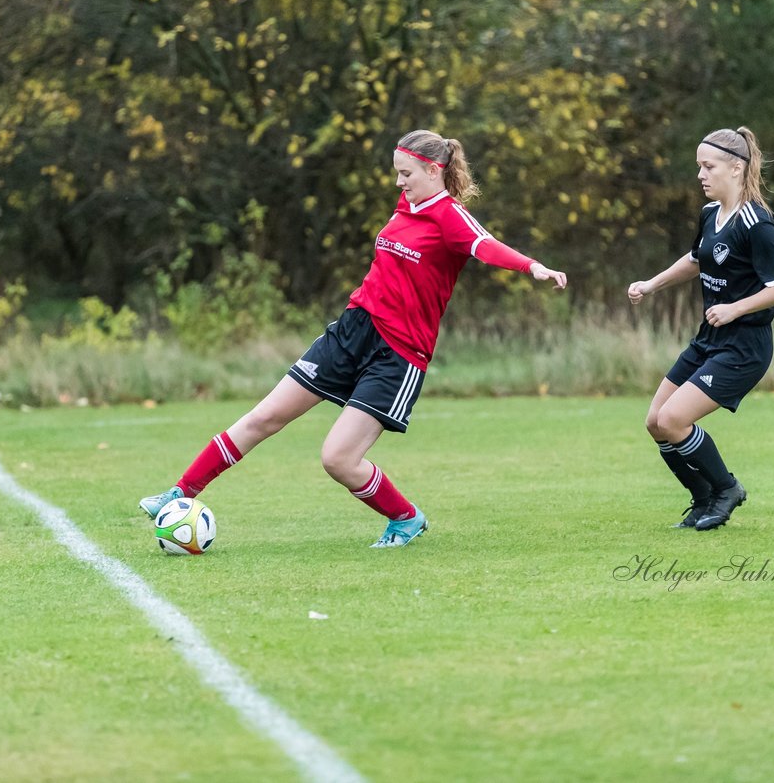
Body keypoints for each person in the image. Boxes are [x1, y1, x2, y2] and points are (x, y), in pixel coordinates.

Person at [140, 130, 568, 547]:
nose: (399, 183)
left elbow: (487, 245)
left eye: (406, 174)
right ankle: (180, 494)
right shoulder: (408, 203)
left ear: (434, 171)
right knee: (263, 417)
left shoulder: (449, 216)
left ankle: (405, 518)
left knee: (338, 459)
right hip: (351, 331)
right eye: (397, 173)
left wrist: (534, 268)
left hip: (398, 354)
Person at [627, 127, 774, 530]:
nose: (701, 175)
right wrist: (652, 284)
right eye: (698, 167)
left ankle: (727, 489)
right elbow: (696, 260)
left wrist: (735, 308)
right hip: (709, 340)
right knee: (656, 421)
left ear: (736, 168)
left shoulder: (756, 222)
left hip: (745, 347)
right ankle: (704, 499)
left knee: (673, 420)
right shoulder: (710, 214)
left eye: (708, 166)